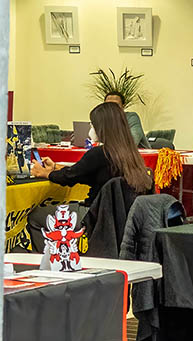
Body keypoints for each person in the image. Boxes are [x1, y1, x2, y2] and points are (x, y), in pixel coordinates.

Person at [28, 102, 153, 251]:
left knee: (36, 216)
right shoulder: (131, 155)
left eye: (93, 125)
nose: (91, 129)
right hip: (121, 218)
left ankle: (55, 258)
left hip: (93, 214)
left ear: (102, 127)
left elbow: (69, 177)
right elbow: (85, 174)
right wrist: (55, 168)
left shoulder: (99, 153)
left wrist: (45, 173)